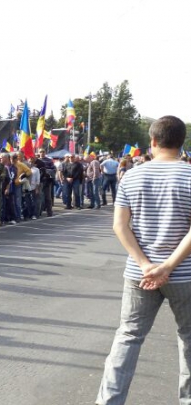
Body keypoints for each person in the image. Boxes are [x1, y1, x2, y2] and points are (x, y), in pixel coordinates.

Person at [96, 116, 191, 404]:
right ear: (182, 142)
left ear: (152, 142)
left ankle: (109, 400)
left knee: (128, 336)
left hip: (140, 274)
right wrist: (168, 266)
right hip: (185, 274)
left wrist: (146, 264)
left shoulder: (132, 176)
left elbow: (120, 226)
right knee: (188, 336)